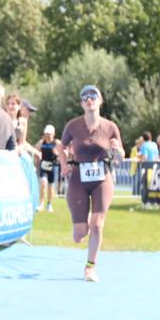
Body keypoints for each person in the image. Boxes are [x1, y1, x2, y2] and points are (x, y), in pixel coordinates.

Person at [58, 85, 122, 282]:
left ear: (100, 101)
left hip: (102, 179)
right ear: (81, 104)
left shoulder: (110, 127)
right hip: (78, 178)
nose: (89, 99)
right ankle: (80, 224)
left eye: (93, 96)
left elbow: (120, 158)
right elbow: (61, 147)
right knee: (80, 234)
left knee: (97, 225)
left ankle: (90, 267)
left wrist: (116, 150)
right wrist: (64, 165)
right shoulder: (73, 126)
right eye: (85, 97)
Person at [35, 124, 60, 212]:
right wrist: (36, 161)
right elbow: (36, 151)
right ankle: (41, 204)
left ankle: (49, 204)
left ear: (53, 134)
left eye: (49, 134)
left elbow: (64, 153)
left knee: (50, 187)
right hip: (43, 166)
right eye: (46, 134)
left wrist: (57, 153)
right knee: (43, 183)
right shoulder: (41, 142)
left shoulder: (56, 143)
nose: (48, 136)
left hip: (53, 167)